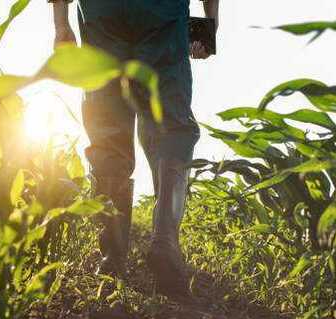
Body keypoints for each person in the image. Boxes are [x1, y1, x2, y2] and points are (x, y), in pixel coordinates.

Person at [49, 0, 220, 300]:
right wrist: (210, 22)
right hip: (162, 13)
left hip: (102, 14)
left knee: (108, 131)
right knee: (172, 128)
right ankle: (165, 244)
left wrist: (61, 24)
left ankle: (112, 258)